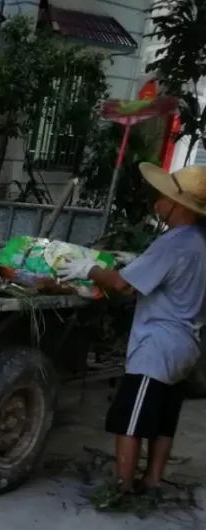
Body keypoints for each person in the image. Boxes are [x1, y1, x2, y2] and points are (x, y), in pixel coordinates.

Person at [58, 163, 206, 494]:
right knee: (165, 421)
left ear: (179, 205)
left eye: (163, 197)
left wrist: (89, 268)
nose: (157, 202)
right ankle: (152, 481)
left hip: (158, 346)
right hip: (188, 344)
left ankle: (122, 489)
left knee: (130, 420)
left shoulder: (174, 243)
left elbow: (124, 286)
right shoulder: (200, 242)